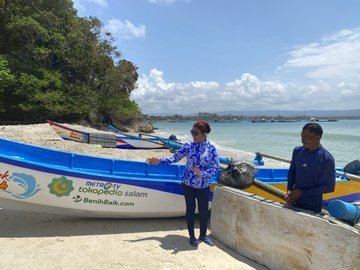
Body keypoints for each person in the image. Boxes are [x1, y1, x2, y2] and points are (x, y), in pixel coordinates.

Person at [146, 120, 219, 247]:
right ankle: (192, 236)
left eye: (195, 132)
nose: (193, 135)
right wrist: (159, 161)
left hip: (204, 185)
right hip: (188, 183)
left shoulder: (211, 148)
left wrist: (203, 173)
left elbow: (216, 166)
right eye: (191, 132)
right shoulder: (188, 145)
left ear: (203, 134)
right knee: (190, 210)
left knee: (203, 210)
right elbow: (174, 158)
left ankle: (203, 235)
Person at [286, 123, 336, 213]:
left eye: (307, 137)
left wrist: (302, 193)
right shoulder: (297, 151)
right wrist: (289, 189)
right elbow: (292, 172)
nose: (302, 140)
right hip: (294, 201)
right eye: (302, 136)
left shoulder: (326, 159)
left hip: (312, 206)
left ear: (318, 137)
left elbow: (329, 187)